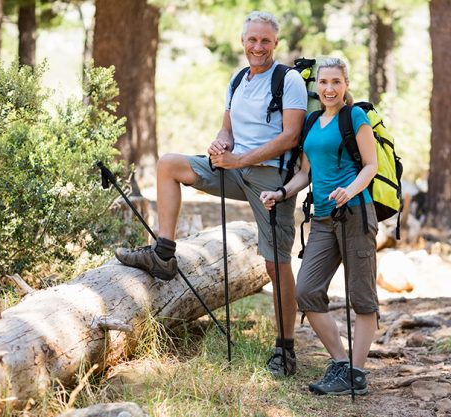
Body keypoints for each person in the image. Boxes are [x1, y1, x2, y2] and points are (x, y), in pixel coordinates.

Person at [114, 11, 307, 377]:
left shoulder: (290, 80)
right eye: (252, 39)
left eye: (265, 41)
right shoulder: (237, 80)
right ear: (242, 41)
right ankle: (164, 254)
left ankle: (286, 350)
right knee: (169, 164)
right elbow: (227, 130)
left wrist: (238, 160)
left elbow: (290, 137)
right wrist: (221, 145)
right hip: (234, 168)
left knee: (276, 263)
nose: (258, 47)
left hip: (271, 179)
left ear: (275, 44)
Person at [261, 58, 379, 395]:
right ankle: (340, 363)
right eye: (324, 82)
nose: (329, 88)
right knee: (307, 291)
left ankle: (356, 374)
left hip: (356, 213)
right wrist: (282, 192)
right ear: (317, 87)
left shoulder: (355, 116)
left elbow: (370, 165)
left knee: (362, 298)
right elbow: (305, 172)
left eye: (336, 82)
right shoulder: (312, 121)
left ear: (345, 84)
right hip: (323, 219)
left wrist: (350, 190)